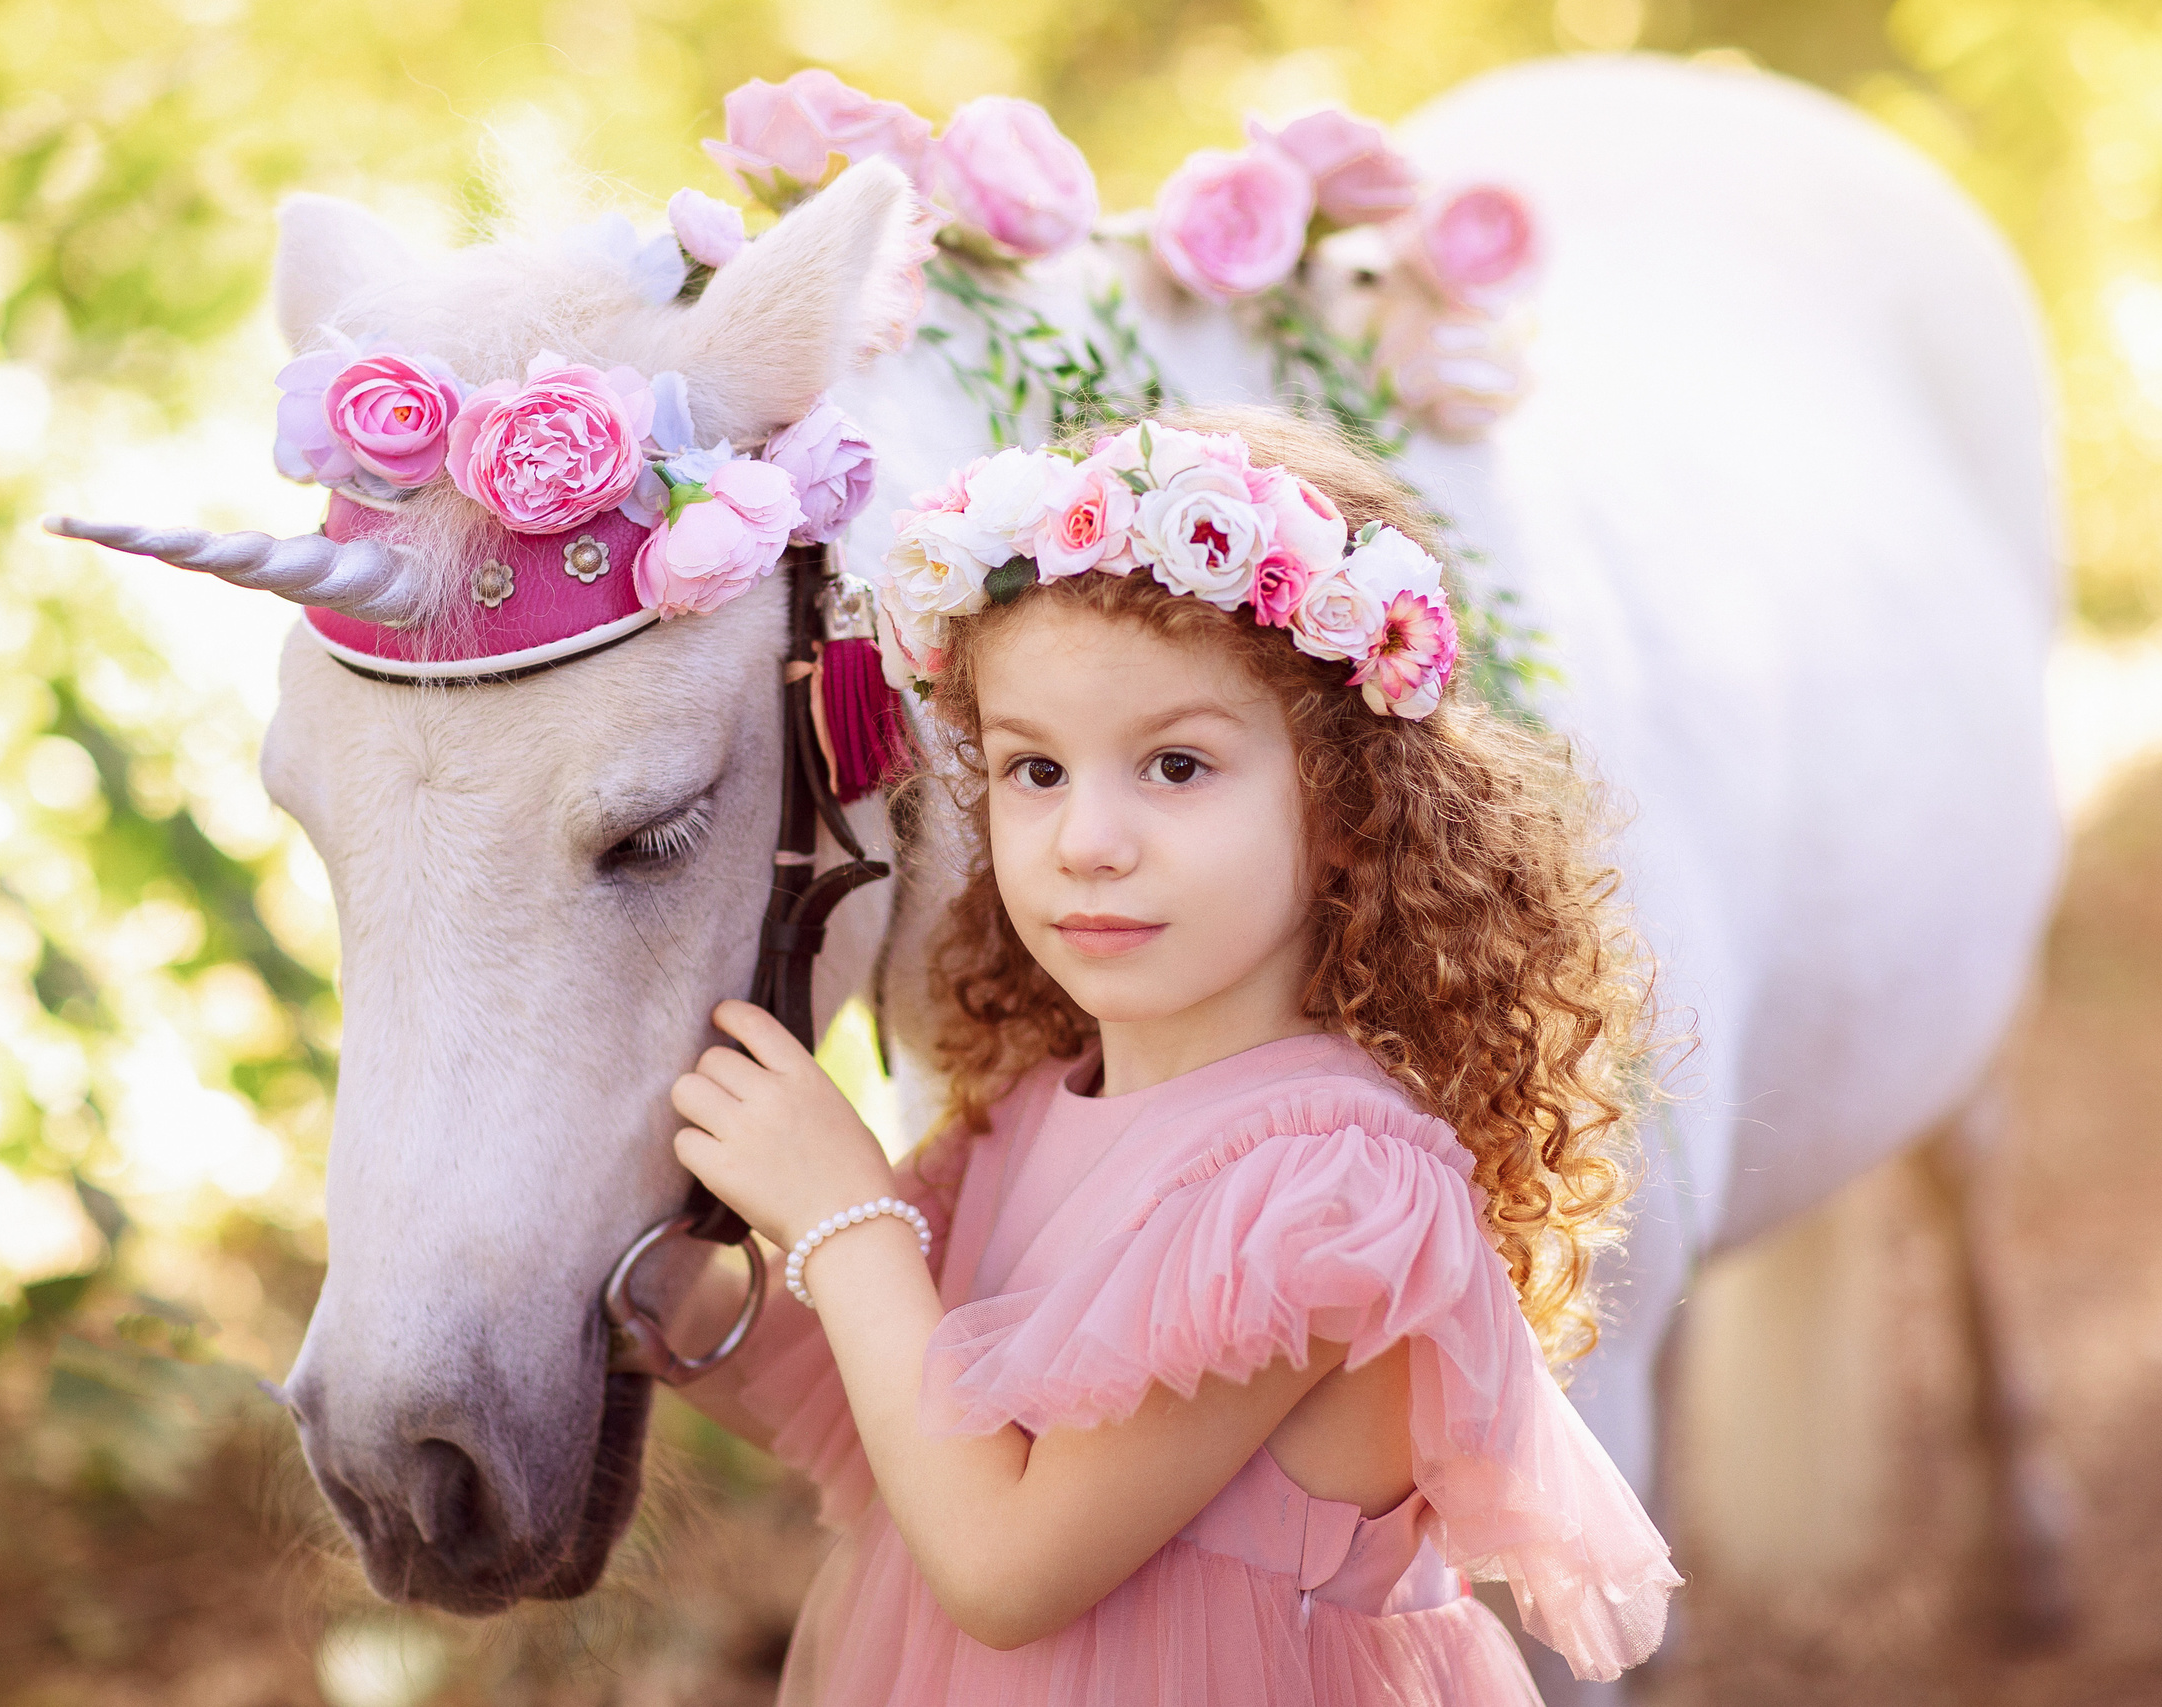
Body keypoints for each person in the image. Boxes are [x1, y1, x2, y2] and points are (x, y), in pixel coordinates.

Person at [665, 408, 1680, 1705]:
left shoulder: (1330, 1191)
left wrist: (844, 1213)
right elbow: (879, 1412)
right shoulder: (1031, 1113)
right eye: (1035, 768)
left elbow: (1003, 1568)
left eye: (1177, 764)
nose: (1086, 838)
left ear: (1345, 810)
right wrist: (640, 1283)